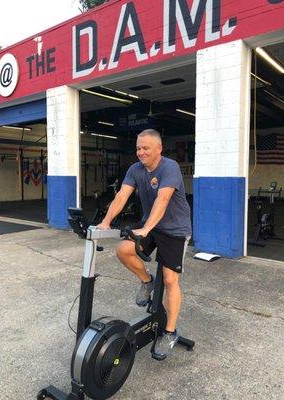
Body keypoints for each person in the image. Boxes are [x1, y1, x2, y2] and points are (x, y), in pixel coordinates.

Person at [97, 129, 191, 360]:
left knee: (170, 280)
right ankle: (146, 281)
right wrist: (106, 222)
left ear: (158, 148)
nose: (140, 152)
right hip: (150, 225)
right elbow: (122, 196)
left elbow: (163, 198)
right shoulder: (134, 169)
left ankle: (170, 332)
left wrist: (146, 229)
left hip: (174, 230)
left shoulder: (170, 167)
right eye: (138, 148)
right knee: (124, 250)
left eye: (145, 148)